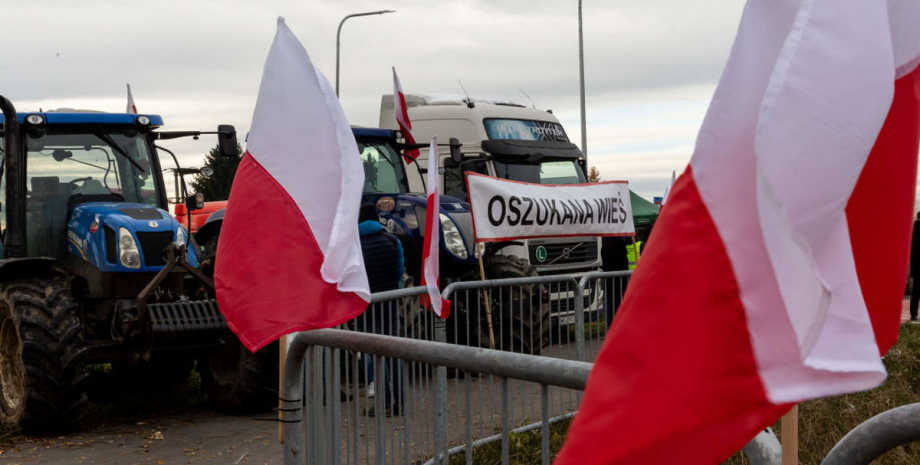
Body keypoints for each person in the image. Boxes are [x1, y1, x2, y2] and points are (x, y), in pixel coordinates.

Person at [357, 203, 405, 415]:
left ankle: (383, 403)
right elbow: (399, 271)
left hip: (366, 305)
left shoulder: (355, 244)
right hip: (390, 302)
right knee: (394, 350)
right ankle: (399, 402)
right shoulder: (392, 241)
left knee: (374, 351)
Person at [601, 236, 630, 328]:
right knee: (620, 308)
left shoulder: (605, 244)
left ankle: (611, 329)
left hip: (610, 281)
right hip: (621, 281)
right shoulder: (620, 242)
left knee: (610, 307)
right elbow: (624, 261)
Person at [910, 212, 920, 321]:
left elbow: (912, 251)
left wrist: (912, 272)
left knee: (915, 292)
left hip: (916, 266)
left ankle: (913, 314)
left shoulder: (913, 230)